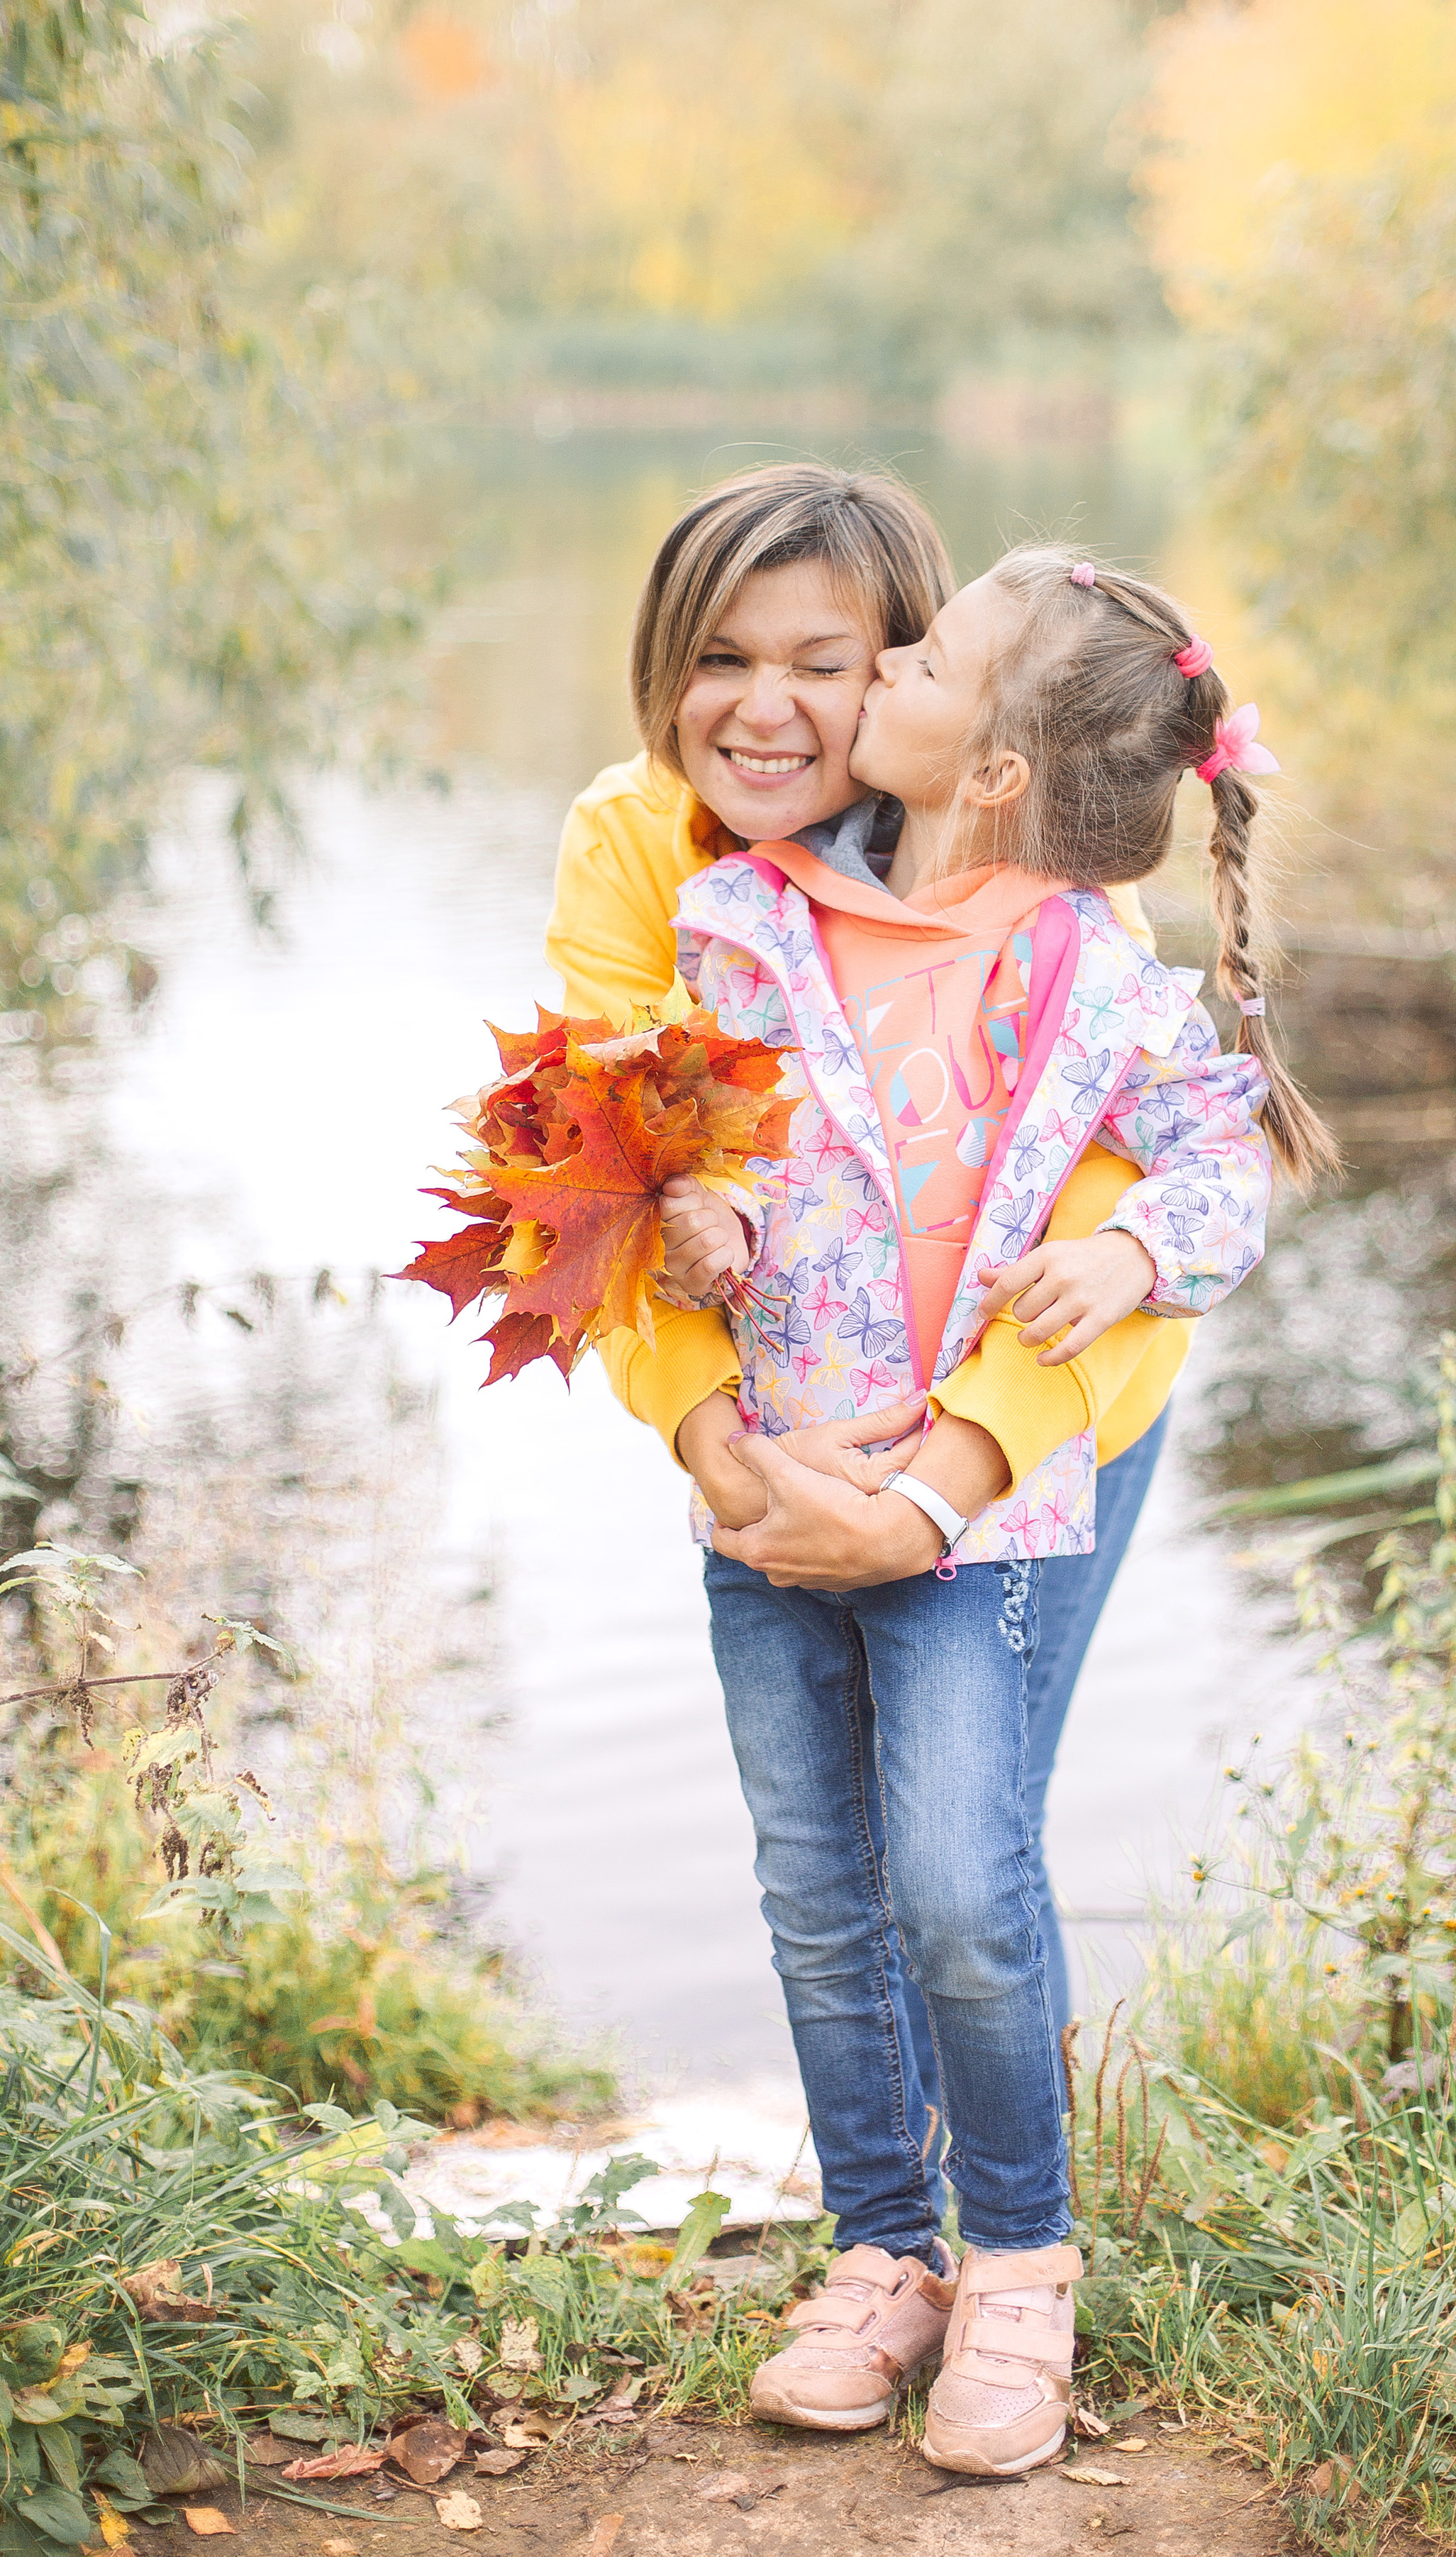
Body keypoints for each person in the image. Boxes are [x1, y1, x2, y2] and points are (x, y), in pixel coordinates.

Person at [656, 547, 1336, 2474]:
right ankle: (882, 2254)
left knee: (960, 1889)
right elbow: (696, 1133)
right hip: (777, 1488)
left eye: (924, 658)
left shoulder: (1085, 968)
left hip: (987, 1525)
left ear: (994, 768)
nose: (885, 661)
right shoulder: (742, 916)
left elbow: (1225, 1158)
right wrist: (700, 1208)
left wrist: (1129, 1254)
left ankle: (1019, 2266)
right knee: (817, 1895)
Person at [545, 465, 1187, 2056]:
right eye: (718, 657)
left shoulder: (1034, 863)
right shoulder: (634, 842)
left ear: (909, 677)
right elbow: (608, 1174)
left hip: (1033, 1417)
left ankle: (1013, 2193)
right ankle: (888, 2189)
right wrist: (721, 1446)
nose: (760, 710)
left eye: (822, 664)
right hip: (791, 1414)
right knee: (838, 1871)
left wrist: (936, 1493)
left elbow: (1124, 1237)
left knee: (965, 1854)